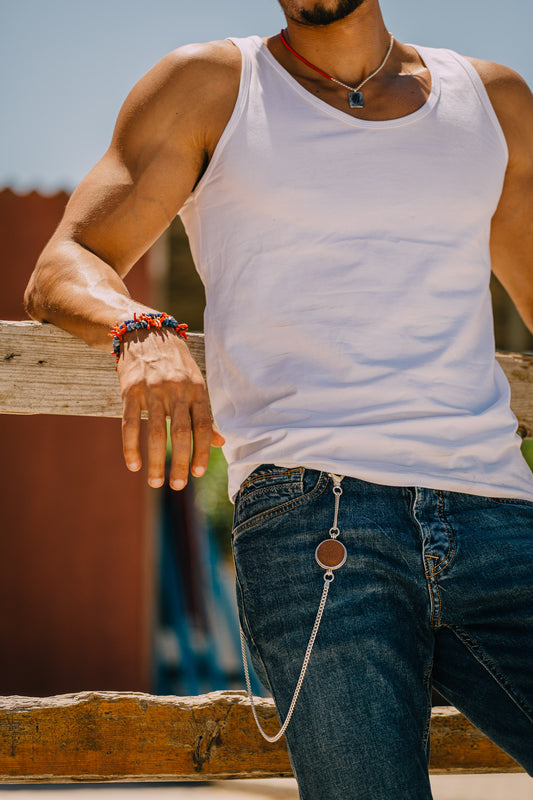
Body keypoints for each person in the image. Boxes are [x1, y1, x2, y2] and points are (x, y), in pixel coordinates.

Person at [25, 0, 533, 797]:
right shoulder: (208, 85)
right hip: (316, 523)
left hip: (500, 515)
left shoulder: (491, 99)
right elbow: (63, 263)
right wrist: (140, 327)